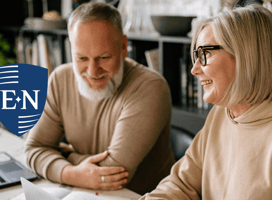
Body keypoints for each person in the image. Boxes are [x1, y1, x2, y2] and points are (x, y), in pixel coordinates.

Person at [141, 4, 272, 200]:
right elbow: (181, 184)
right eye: (195, 56)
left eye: (205, 54)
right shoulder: (221, 114)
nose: (195, 69)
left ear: (246, 56)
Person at [24, 2, 175, 195]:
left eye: (103, 57)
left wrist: (64, 154)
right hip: (83, 193)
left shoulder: (150, 87)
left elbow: (114, 175)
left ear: (123, 47)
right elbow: (33, 149)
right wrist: (75, 173)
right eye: (81, 58)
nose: (92, 71)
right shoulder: (60, 79)